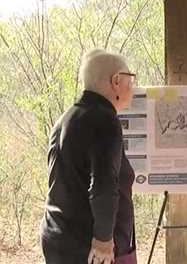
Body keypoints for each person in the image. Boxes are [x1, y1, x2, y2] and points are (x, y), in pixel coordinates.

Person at [40, 49, 137, 264]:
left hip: (58, 236)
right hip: (90, 249)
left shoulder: (66, 118)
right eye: (131, 78)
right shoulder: (104, 119)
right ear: (116, 81)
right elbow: (103, 183)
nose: (134, 86)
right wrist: (103, 240)